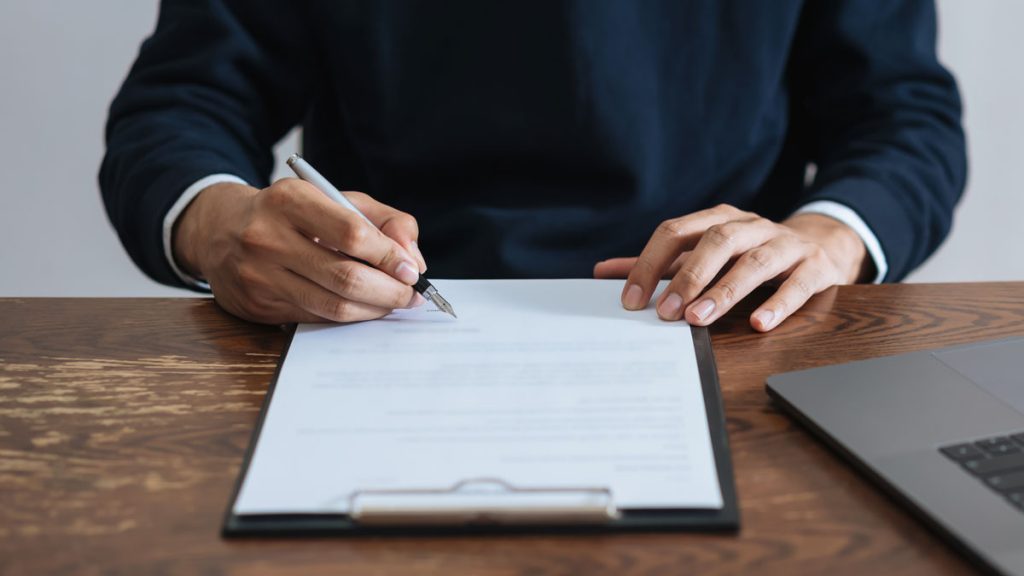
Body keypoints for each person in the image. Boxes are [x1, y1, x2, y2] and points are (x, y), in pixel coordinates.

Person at [100, 1, 966, 331]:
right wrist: (219, 228)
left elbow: (903, 116)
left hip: (715, 324)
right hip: (375, 320)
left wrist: (823, 239)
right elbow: (181, 105)